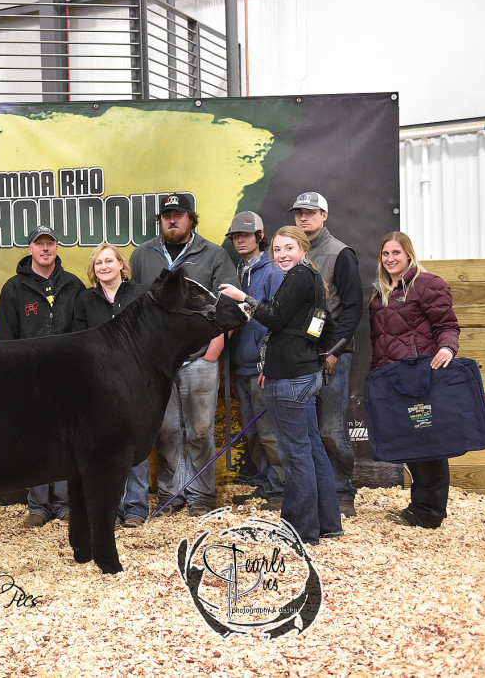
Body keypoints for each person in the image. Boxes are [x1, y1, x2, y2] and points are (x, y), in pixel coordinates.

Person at [220, 226, 342, 545]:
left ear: (303, 249)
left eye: (289, 248)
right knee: (311, 448)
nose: (282, 255)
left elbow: (273, 317)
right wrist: (308, 352)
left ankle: (300, 531)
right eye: (277, 250)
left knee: (296, 453)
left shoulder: (299, 276)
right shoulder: (313, 279)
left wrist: (242, 298)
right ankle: (327, 523)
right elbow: (323, 326)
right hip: (303, 373)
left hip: (289, 378)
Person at [130, 193, 238, 517]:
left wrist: (213, 351)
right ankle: (170, 494)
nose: (172, 219)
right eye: (166, 215)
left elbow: (229, 307)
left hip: (200, 357)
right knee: (165, 430)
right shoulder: (142, 256)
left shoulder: (214, 254)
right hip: (158, 362)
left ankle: (202, 496)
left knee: (200, 429)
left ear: (191, 218)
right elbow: (134, 308)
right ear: (160, 220)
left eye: (178, 214)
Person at [368, 232, 459, 529]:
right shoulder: (382, 289)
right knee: (410, 441)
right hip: (392, 378)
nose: (390, 259)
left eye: (396, 253)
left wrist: (447, 348)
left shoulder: (427, 284)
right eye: (385, 254)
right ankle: (419, 506)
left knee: (427, 441)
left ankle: (429, 512)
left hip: (419, 376)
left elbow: (446, 325)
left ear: (408, 254)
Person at [0, 225, 84, 527]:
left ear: (57, 248)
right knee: (33, 441)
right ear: (30, 248)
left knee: (66, 440)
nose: (45, 249)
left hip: (67, 377)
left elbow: (83, 334)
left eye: (50, 243)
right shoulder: (14, 288)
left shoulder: (74, 285)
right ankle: (37, 506)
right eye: (39, 243)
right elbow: (5, 337)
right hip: (28, 378)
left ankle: (63, 504)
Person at [291, 192, 363, 516]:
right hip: (300, 354)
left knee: (331, 428)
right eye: (299, 214)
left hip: (332, 354)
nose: (303, 218)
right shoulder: (293, 253)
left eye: (310, 213)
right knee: (305, 428)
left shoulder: (340, 253)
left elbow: (352, 308)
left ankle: (342, 491)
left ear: (324, 215)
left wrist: (335, 351)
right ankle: (316, 493)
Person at [73, 243, 147, 527]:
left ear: (120, 265)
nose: (103, 266)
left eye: (109, 261)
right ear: (93, 270)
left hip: (135, 382)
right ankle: (110, 509)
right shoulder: (85, 299)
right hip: (99, 383)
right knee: (105, 448)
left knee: (135, 444)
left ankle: (136, 509)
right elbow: (79, 339)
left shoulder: (140, 294)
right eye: (98, 263)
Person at [225, 212, 285, 510]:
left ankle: (281, 489)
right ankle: (265, 484)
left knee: (271, 433)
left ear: (260, 236)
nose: (240, 239)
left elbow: (278, 319)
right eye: (236, 235)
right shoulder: (235, 271)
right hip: (242, 365)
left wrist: (268, 364)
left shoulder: (273, 272)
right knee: (252, 433)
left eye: (246, 235)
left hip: (263, 368)